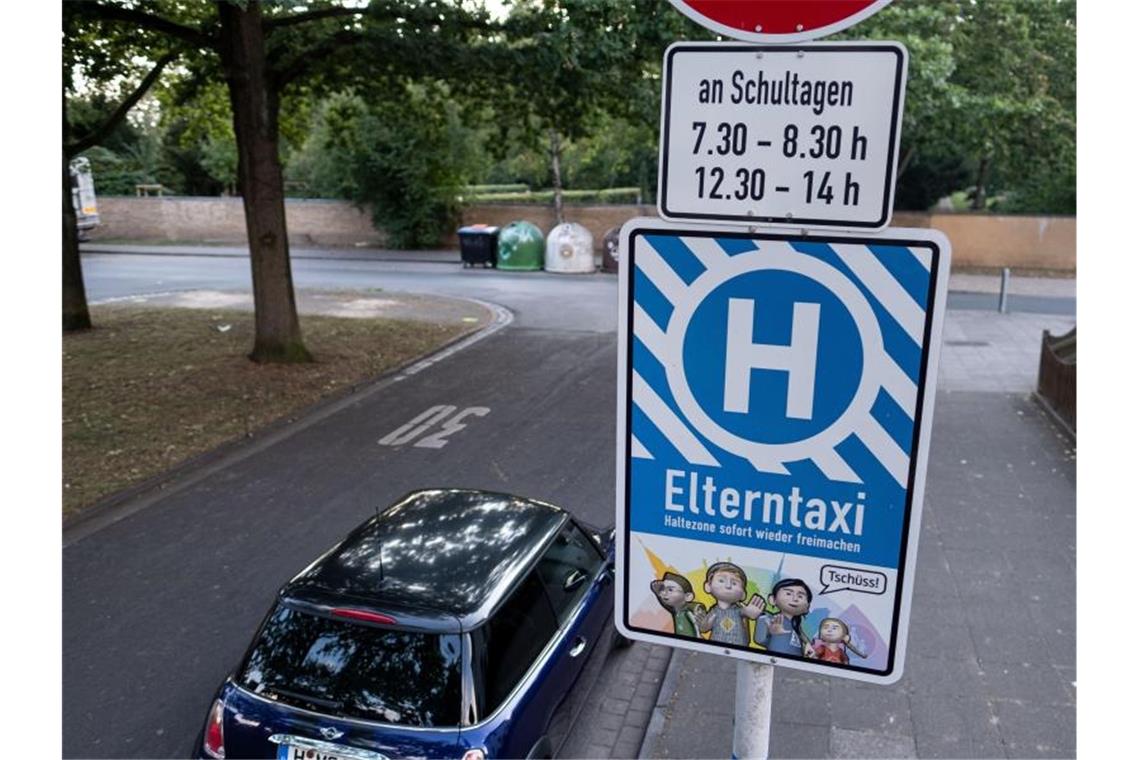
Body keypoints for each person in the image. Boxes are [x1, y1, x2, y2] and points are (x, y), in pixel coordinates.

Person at [696, 562, 764, 646]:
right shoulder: (714, 611)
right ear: (708, 586)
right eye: (721, 581)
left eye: (734, 583)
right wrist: (706, 623)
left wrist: (751, 613)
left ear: (743, 594)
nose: (728, 586)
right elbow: (704, 628)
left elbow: (748, 613)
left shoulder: (739, 610)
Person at [754, 578, 814, 657]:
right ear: (772, 599)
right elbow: (759, 640)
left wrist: (807, 646)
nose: (795, 599)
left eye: (800, 596)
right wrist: (771, 632)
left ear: (807, 607)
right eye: (788, 594)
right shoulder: (768, 618)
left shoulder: (797, 627)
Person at [650, 572, 704, 638]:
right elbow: (665, 603)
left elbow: (698, 628)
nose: (664, 593)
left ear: (688, 596)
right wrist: (658, 592)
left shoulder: (688, 612)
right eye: (663, 589)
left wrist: (697, 609)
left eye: (670, 589)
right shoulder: (676, 611)